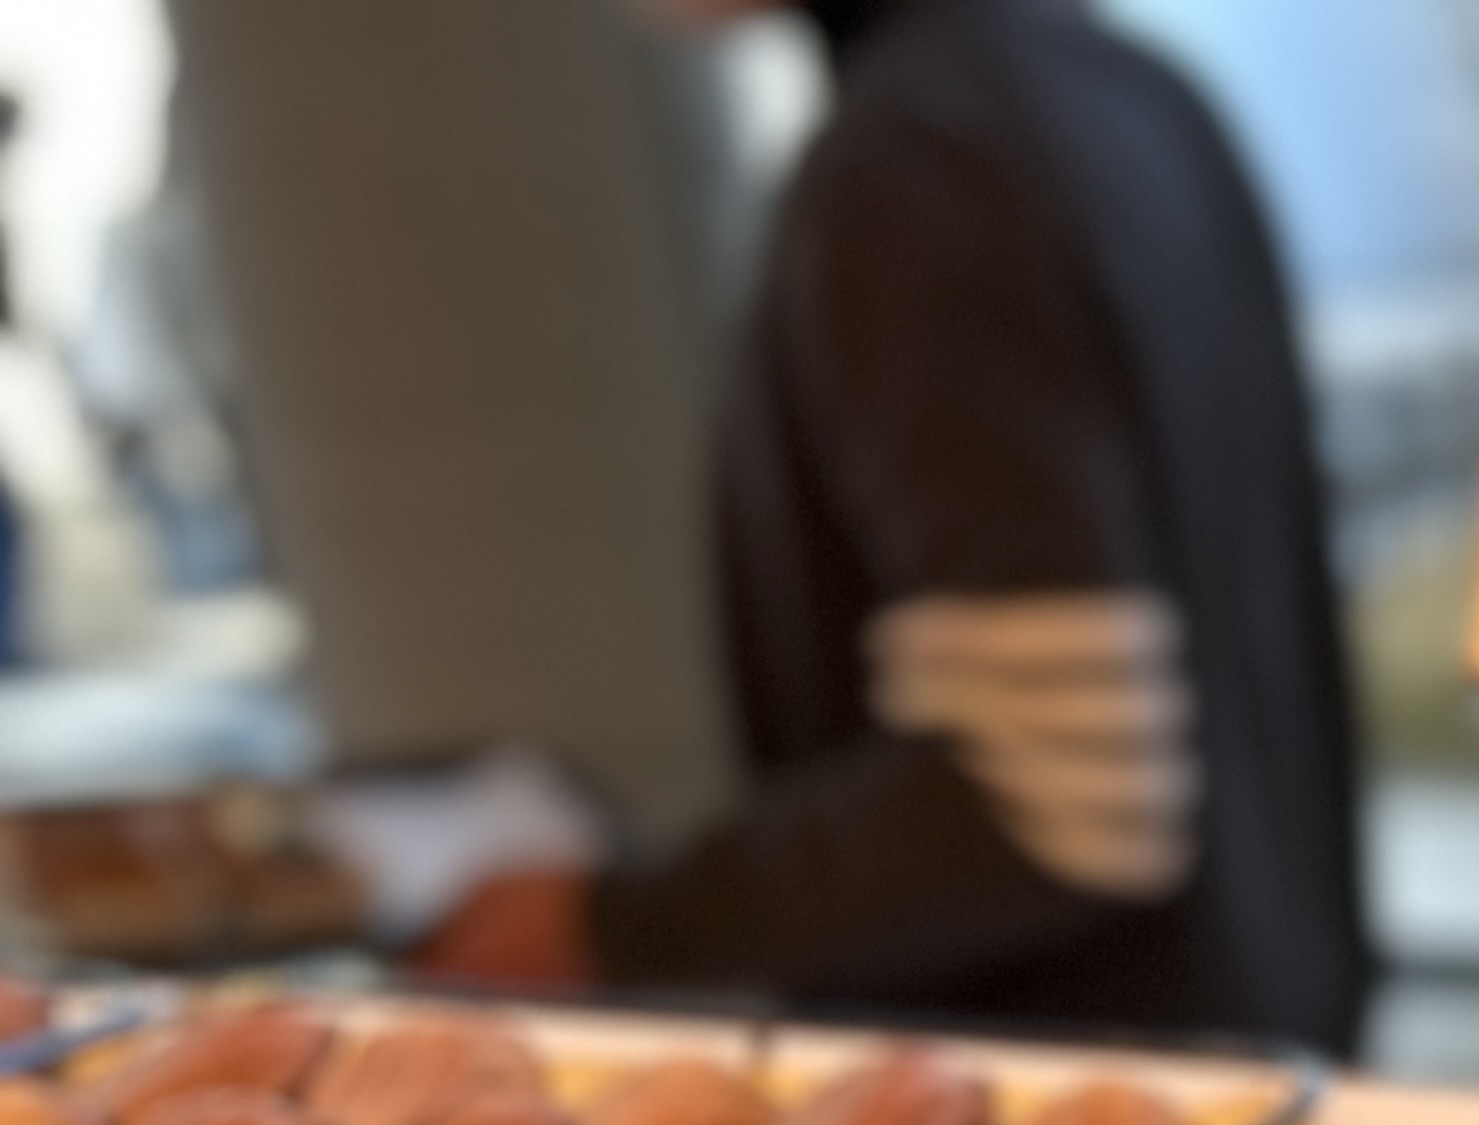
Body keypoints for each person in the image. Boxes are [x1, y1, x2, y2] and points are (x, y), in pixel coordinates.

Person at [419, 0, 1370, 1052]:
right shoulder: (1124, 86)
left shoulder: (923, 153)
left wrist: (611, 926)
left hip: (1080, 1093)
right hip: (1246, 1049)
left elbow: (1061, 800)